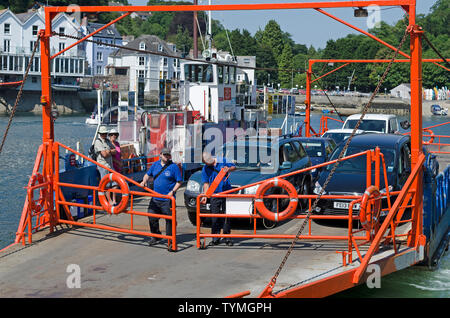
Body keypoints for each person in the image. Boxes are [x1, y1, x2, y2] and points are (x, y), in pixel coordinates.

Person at [140, 148, 182, 246]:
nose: (167, 157)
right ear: (160, 155)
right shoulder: (155, 165)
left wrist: (172, 191)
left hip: (167, 199)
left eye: (168, 155)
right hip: (155, 198)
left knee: (169, 220)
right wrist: (144, 181)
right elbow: (147, 174)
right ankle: (156, 236)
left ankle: (170, 240)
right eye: (165, 155)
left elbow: (179, 181)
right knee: (151, 217)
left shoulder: (174, 167)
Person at [200, 151, 236, 246]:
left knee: (226, 217)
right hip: (214, 195)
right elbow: (206, 183)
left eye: (208, 161)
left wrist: (228, 169)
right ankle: (215, 238)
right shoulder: (205, 169)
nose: (207, 163)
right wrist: (205, 196)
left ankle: (227, 237)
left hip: (226, 193)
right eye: (206, 162)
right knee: (214, 217)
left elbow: (234, 167)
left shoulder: (222, 160)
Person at [94, 125, 117, 206]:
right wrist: (109, 151)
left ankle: (114, 200)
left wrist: (108, 151)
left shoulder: (107, 141)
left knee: (115, 183)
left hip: (110, 166)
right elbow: (104, 154)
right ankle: (109, 201)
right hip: (103, 166)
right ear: (100, 134)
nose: (104, 135)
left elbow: (115, 151)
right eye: (103, 133)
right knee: (106, 184)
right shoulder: (98, 142)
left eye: (105, 133)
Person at [108, 128, 122, 206]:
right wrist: (117, 162)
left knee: (116, 184)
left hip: (118, 166)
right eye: (112, 134)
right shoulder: (108, 144)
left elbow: (119, 154)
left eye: (115, 135)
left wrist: (121, 161)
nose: (114, 136)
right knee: (113, 184)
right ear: (109, 136)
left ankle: (114, 199)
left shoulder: (117, 144)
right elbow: (110, 156)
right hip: (112, 165)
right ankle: (112, 200)